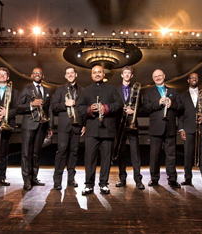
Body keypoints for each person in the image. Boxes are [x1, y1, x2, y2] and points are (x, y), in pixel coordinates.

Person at [77, 65, 123, 195]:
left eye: (99, 72)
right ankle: (89, 185)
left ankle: (103, 184)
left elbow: (119, 104)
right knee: (89, 158)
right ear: (91, 75)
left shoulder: (112, 89)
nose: (97, 74)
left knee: (106, 158)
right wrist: (89, 110)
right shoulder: (85, 91)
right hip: (91, 130)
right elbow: (79, 107)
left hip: (108, 129)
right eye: (94, 72)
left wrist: (106, 108)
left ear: (104, 74)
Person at [143, 69, 181, 188]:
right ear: (153, 78)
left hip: (170, 127)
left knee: (171, 155)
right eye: (155, 76)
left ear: (164, 76)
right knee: (154, 155)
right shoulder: (149, 92)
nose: (158, 78)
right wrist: (158, 103)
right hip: (156, 128)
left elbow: (180, 106)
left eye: (160, 75)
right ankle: (154, 178)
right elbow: (145, 108)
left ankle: (172, 179)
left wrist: (172, 104)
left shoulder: (173, 91)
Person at [17, 67, 53, 190]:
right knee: (26, 153)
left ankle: (34, 178)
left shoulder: (47, 90)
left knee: (37, 153)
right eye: (35, 73)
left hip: (42, 125)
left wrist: (50, 126)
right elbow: (17, 107)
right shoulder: (26, 89)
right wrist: (31, 105)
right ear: (32, 75)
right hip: (28, 125)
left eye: (40, 73)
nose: (37, 74)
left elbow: (49, 110)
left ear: (43, 76)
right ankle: (26, 180)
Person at [51, 66, 85, 190]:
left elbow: (84, 109)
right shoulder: (60, 89)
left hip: (77, 126)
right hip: (64, 126)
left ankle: (71, 179)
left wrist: (84, 124)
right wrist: (65, 104)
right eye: (67, 73)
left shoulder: (83, 90)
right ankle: (57, 181)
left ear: (76, 74)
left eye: (72, 73)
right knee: (61, 151)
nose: (70, 75)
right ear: (65, 76)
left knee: (74, 153)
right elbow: (54, 106)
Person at [114, 66, 144, 190]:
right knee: (121, 153)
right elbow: (114, 106)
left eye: (129, 73)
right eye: (125, 73)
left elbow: (141, 108)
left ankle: (138, 180)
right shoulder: (115, 90)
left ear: (131, 76)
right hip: (120, 124)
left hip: (132, 124)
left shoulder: (136, 89)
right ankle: (122, 179)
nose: (127, 75)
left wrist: (134, 111)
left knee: (135, 153)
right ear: (122, 75)